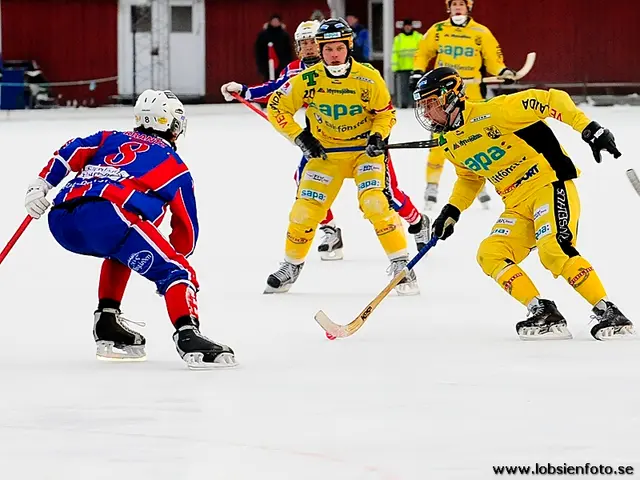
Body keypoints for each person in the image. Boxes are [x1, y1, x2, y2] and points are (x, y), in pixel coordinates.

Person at [413, 67, 635, 340]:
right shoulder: (447, 140)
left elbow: (552, 99)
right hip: (516, 203)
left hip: (548, 185)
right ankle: (543, 311)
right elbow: (469, 177)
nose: (425, 113)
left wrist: (589, 128)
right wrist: (452, 210)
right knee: (490, 253)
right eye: (422, 106)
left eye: (430, 103)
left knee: (553, 249)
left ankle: (610, 313)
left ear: (451, 98)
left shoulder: (496, 111)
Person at [23, 89, 237, 368]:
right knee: (177, 270)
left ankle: (107, 323)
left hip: (61, 219)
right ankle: (188, 335)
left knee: (123, 250)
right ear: (173, 124)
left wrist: (40, 185)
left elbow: (71, 150)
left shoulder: (110, 137)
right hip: (110, 215)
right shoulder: (174, 166)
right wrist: (176, 256)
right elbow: (186, 229)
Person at [221, 21, 431, 261]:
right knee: (305, 187)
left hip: (362, 142)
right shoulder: (297, 71)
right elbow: (276, 91)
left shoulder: (360, 73)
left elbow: (384, 112)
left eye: (313, 42)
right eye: (305, 44)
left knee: (385, 193)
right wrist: (246, 91)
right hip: (321, 142)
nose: (310, 48)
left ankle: (417, 221)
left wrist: (377, 137)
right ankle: (330, 231)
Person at [264, 18, 419, 295]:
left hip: (364, 154)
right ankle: (291, 265)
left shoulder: (368, 76)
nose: (333, 54)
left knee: (375, 203)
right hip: (326, 156)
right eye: (327, 49)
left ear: (349, 47)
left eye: (339, 48)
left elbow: (385, 113)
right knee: (304, 211)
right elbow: (277, 108)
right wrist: (301, 137)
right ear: (319, 51)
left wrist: (377, 136)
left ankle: (401, 264)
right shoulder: (307, 79)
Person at [411, 0, 518, 211]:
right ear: (448, 7)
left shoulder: (480, 32)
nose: (457, 8)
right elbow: (423, 52)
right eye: (454, 4)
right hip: (441, 97)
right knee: (440, 142)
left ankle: (478, 185)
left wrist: (504, 73)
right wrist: (417, 71)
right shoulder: (438, 30)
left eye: (461, 4)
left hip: (472, 96)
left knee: (474, 142)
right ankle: (431, 186)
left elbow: (494, 60)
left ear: (468, 7)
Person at [392, 19, 422, 109]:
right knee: (403, 88)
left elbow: (422, 52)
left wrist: (421, 66)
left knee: (415, 87)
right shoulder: (399, 39)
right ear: (404, 27)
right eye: (406, 26)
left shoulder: (418, 37)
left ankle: (414, 104)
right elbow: (394, 54)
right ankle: (403, 104)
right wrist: (395, 67)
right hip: (402, 67)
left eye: (409, 25)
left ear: (412, 26)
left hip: (415, 67)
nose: (408, 27)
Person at [255, 14, 294, 81]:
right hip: (266, 63)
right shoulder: (263, 35)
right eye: (274, 21)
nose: (275, 23)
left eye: (277, 21)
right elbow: (259, 50)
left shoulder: (284, 35)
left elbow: (288, 50)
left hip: (282, 64)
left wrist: (287, 62)